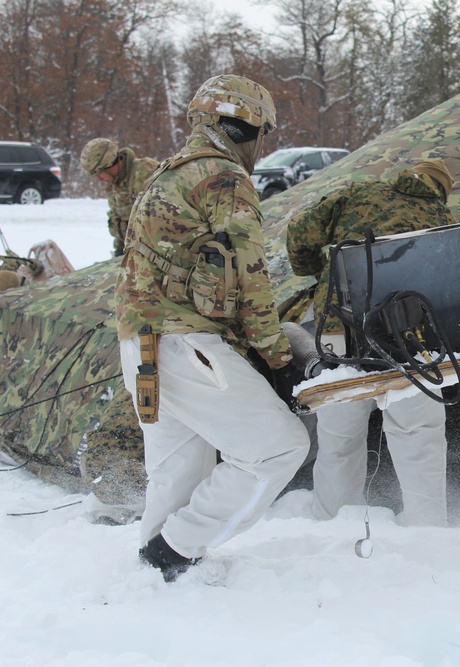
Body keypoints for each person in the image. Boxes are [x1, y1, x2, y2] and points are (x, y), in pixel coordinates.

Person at [115, 74, 310, 581]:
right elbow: (251, 274)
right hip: (183, 342)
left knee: (178, 470)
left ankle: (158, 580)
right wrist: (279, 359)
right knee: (279, 446)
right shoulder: (221, 177)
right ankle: (177, 549)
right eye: (260, 132)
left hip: (142, 342)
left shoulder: (168, 173)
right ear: (242, 128)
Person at [286, 159, 458, 527]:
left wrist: (316, 269)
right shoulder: (445, 220)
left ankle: (333, 520)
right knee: (419, 433)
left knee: (339, 433)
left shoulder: (356, 192)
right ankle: (427, 526)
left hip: (339, 329)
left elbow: (300, 232)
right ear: (442, 189)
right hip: (408, 339)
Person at [80, 138, 159, 256]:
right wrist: (120, 253)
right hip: (134, 254)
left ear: (109, 163)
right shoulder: (113, 184)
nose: (99, 179)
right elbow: (120, 221)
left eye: (98, 172)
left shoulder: (146, 172)